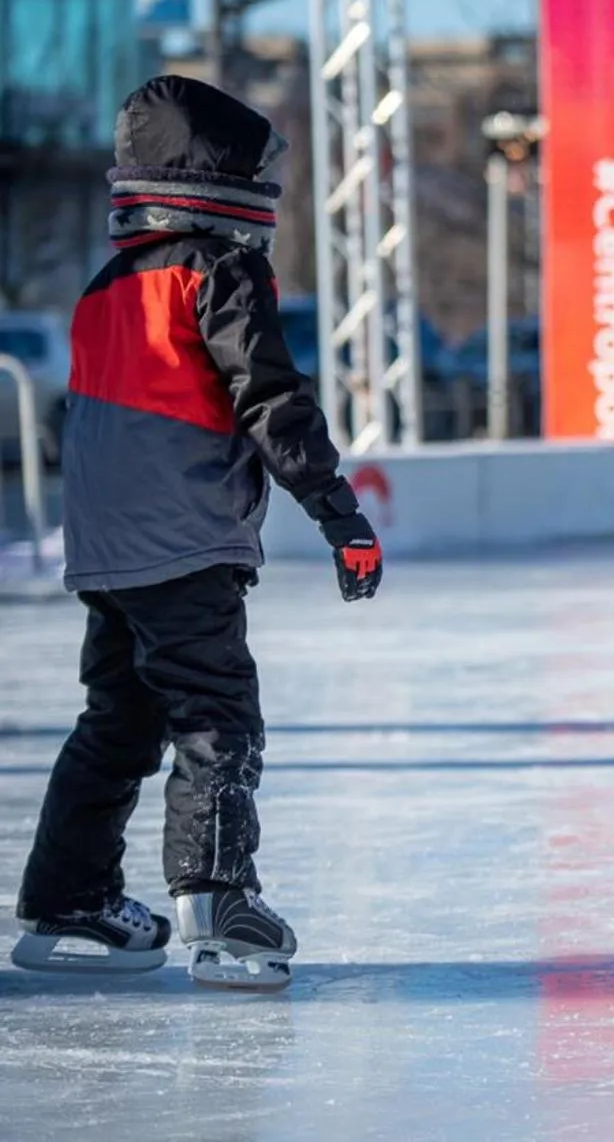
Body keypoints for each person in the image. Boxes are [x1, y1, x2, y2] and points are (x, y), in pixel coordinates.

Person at [10, 76, 383, 991]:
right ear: (220, 181)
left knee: (119, 719)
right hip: (182, 540)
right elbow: (270, 402)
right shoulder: (219, 270)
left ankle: (68, 901)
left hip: (103, 548)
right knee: (217, 718)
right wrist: (341, 515)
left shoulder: (106, 284)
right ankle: (219, 906)